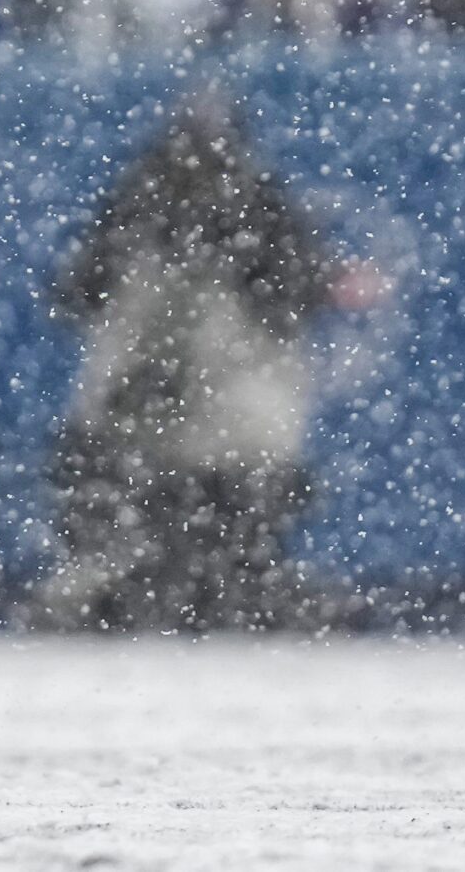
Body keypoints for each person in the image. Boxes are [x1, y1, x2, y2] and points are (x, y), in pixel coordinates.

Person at [30, 87, 336, 633]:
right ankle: (211, 578)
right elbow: (85, 291)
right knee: (203, 472)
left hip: (216, 387)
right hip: (178, 390)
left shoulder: (161, 202)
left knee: (223, 470)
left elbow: (80, 291)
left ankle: (208, 577)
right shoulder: (227, 203)